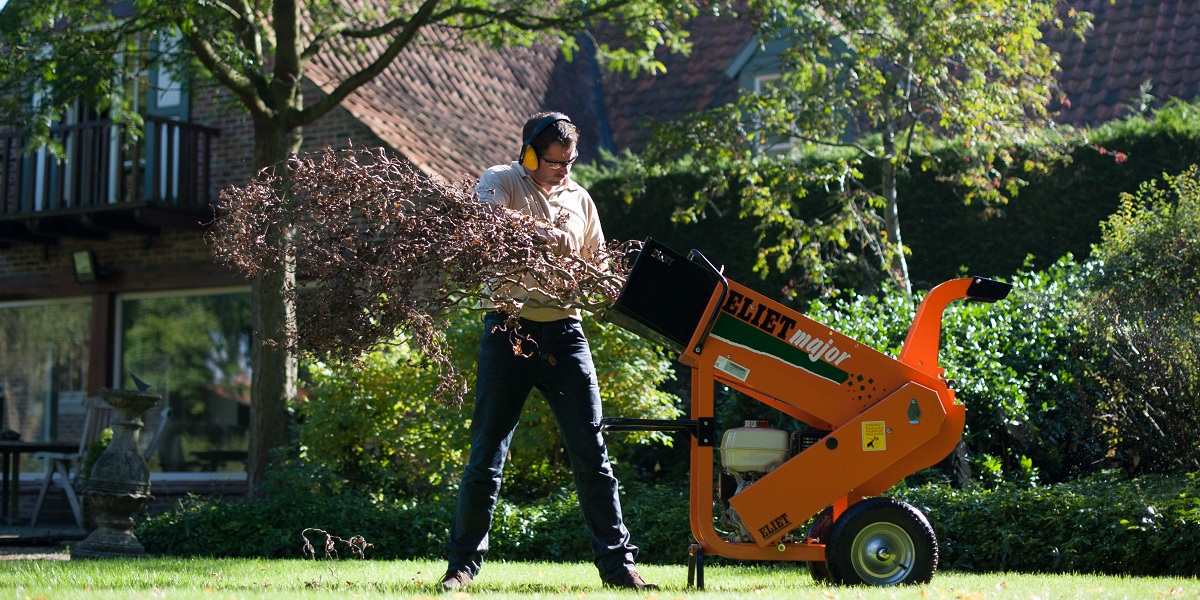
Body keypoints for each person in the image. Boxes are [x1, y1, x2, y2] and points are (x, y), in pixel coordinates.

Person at [440, 112, 657, 591]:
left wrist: (611, 283)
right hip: (509, 330)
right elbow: (484, 224)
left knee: (593, 455)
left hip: (566, 333)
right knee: (487, 455)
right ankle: (461, 567)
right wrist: (542, 234)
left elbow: (597, 263)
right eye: (555, 162)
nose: (563, 170)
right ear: (530, 154)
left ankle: (620, 567)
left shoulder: (581, 199)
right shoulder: (501, 180)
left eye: (569, 162)